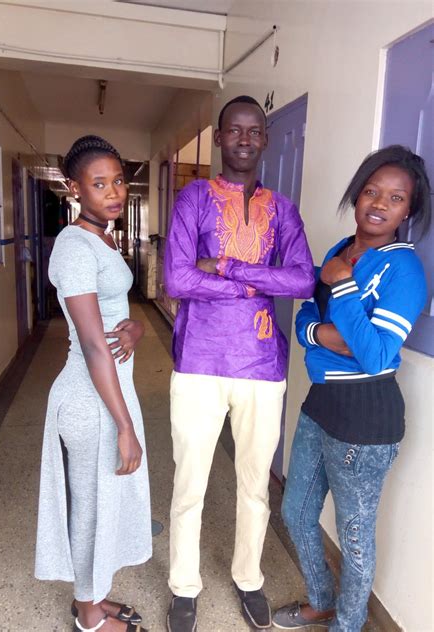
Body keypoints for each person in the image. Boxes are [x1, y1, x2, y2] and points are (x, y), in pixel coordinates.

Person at [164, 95, 315, 631]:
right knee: (190, 482)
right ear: (219, 136)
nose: (244, 139)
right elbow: (177, 279)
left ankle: (249, 577)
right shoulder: (194, 198)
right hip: (199, 363)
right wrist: (257, 286)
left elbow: (303, 279)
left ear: (265, 139)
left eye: (254, 131)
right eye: (234, 130)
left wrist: (228, 268)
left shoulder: (284, 210)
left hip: (261, 366)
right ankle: (184, 586)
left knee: (254, 485)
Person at [272, 145, 431, 631]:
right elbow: (307, 319)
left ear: (409, 211)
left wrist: (341, 286)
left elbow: (377, 355)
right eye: (371, 191)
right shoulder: (339, 250)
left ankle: (348, 624)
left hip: (366, 420)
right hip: (320, 403)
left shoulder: (405, 270)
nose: (379, 204)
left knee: (355, 537)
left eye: (396, 198)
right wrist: (324, 334)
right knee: (296, 512)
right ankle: (323, 601)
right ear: (357, 194)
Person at [35, 135, 151, 632]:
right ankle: (88, 614)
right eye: (99, 183)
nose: (114, 192)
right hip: (90, 400)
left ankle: (95, 596)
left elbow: (111, 315)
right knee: (89, 506)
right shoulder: (74, 246)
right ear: (74, 188)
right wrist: (124, 426)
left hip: (109, 392)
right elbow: (91, 345)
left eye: (118, 180)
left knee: (104, 502)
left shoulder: (102, 238)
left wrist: (137, 327)